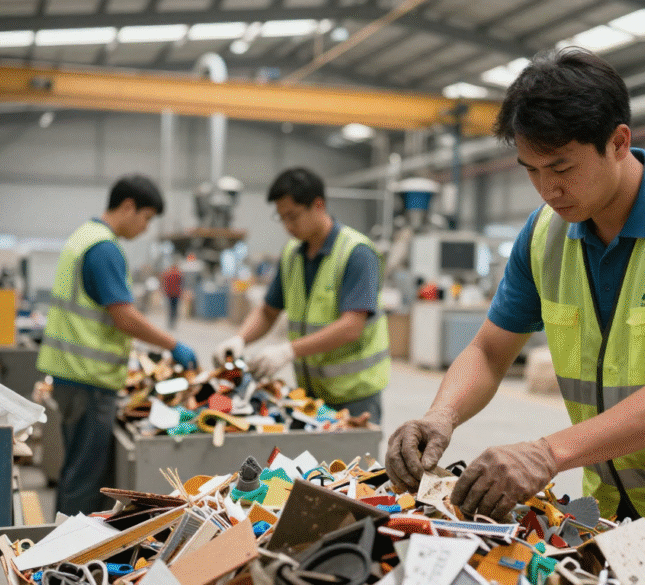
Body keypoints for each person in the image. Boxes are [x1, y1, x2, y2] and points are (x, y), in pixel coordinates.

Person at [385, 48, 645, 580]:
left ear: (619, 142)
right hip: (614, 512)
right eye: (531, 170)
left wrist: (547, 453)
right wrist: (441, 415)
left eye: (562, 167)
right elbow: (488, 350)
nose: (548, 189)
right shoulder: (544, 235)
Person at [37, 175, 198, 516]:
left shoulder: (83, 237)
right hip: (89, 382)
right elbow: (124, 317)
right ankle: (67, 557)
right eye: (147, 217)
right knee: (84, 480)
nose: (146, 227)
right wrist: (174, 344)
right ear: (128, 207)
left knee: (77, 472)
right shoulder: (104, 247)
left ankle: (64, 545)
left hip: (72, 376)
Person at [213, 168, 389, 424]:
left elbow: (352, 326)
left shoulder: (356, 253)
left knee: (352, 464)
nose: (287, 226)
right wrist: (240, 339)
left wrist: (288, 351)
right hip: (310, 395)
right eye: (281, 217)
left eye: (293, 216)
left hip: (355, 396)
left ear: (318, 205)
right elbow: (268, 311)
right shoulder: (292, 254)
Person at [161, 261, 183, 330]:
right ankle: (173, 322)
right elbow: (181, 284)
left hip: (169, 294)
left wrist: (164, 291)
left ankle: (170, 322)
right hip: (176, 294)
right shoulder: (178, 274)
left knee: (170, 308)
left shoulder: (168, 274)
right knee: (175, 309)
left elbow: (164, 282)